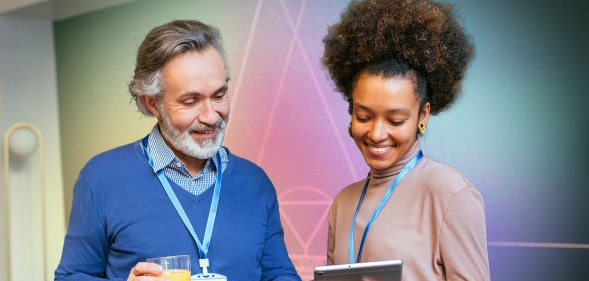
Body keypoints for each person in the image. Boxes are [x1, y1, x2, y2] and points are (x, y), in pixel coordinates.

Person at [54, 20, 301, 281]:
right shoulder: (101, 179)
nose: (210, 116)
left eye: (219, 96)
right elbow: (71, 276)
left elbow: (280, 275)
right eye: (191, 101)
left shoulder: (256, 182)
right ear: (153, 103)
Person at [321, 0, 490, 280]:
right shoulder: (343, 203)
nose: (376, 134)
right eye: (364, 116)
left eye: (395, 121)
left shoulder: (450, 195)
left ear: (423, 114)